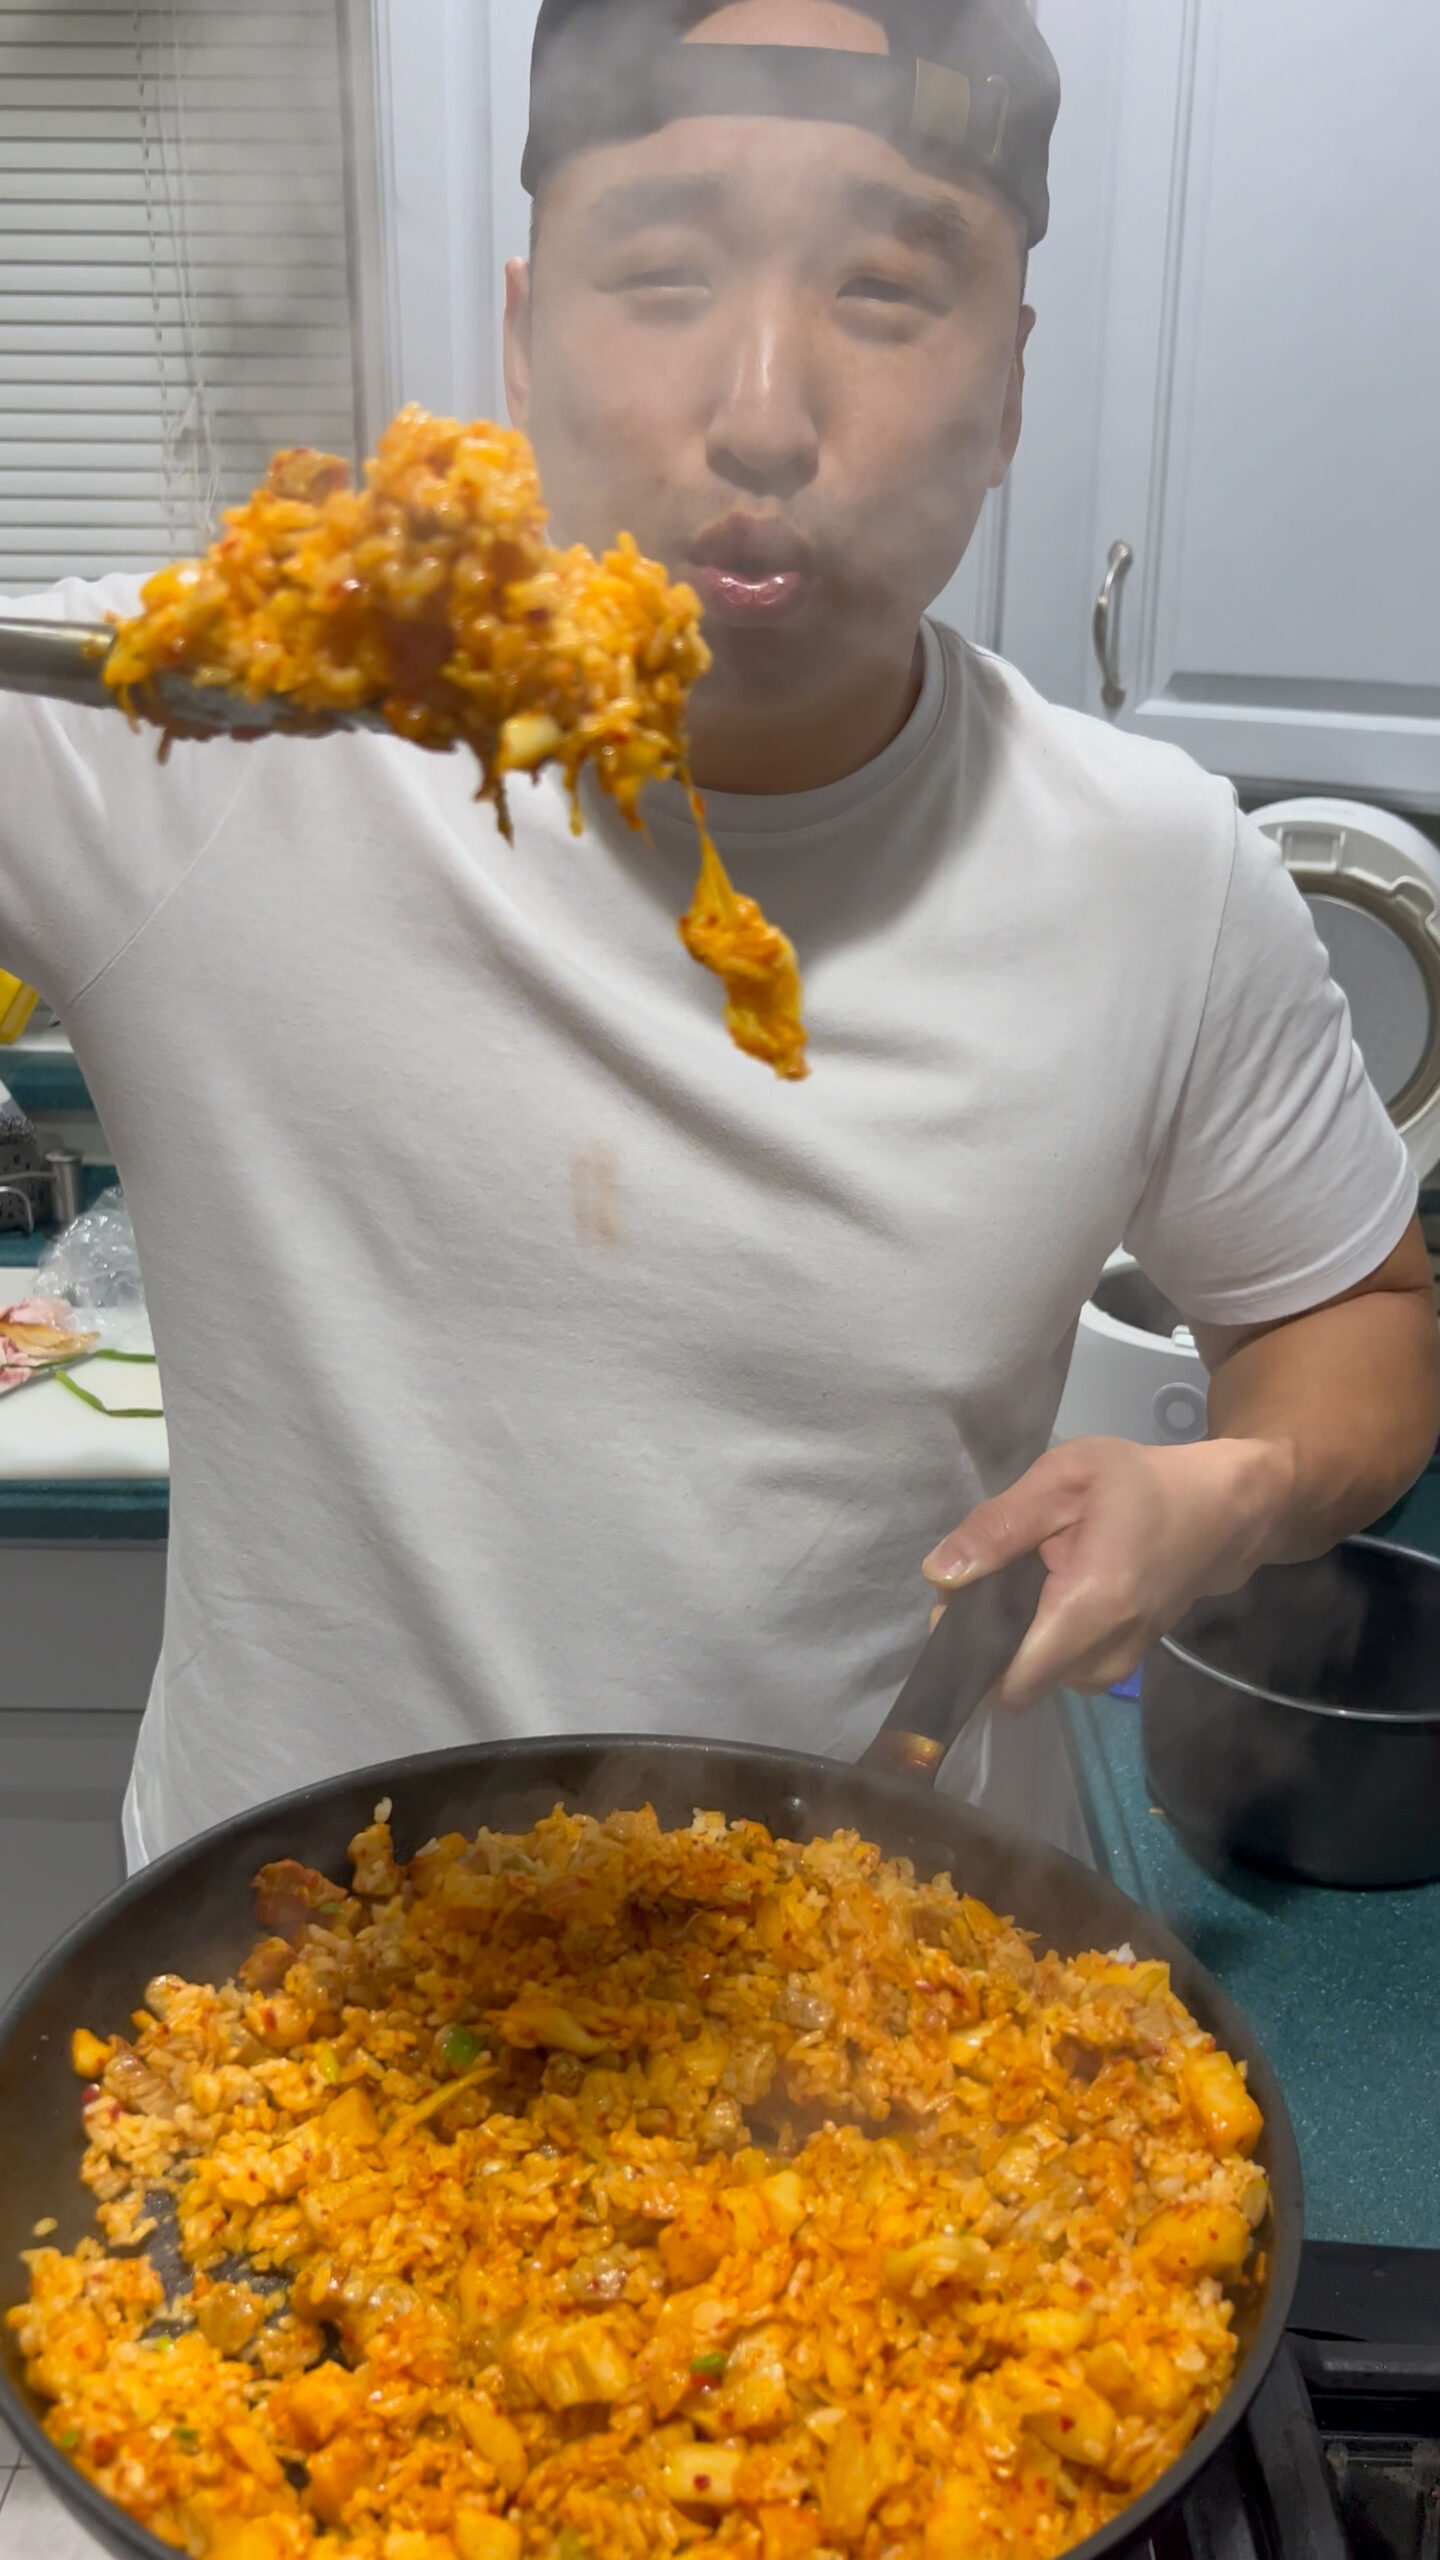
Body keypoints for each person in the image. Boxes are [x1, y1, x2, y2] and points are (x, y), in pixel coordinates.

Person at [0, 0, 1434, 1865]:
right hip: (280, 1987)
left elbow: (1357, 1320)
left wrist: (1229, 1488)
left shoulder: (1153, 868)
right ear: (523, 338)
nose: (763, 408)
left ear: (1007, 386)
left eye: (885, 290)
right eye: (664, 272)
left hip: (866, 2007)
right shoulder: (179, 722)